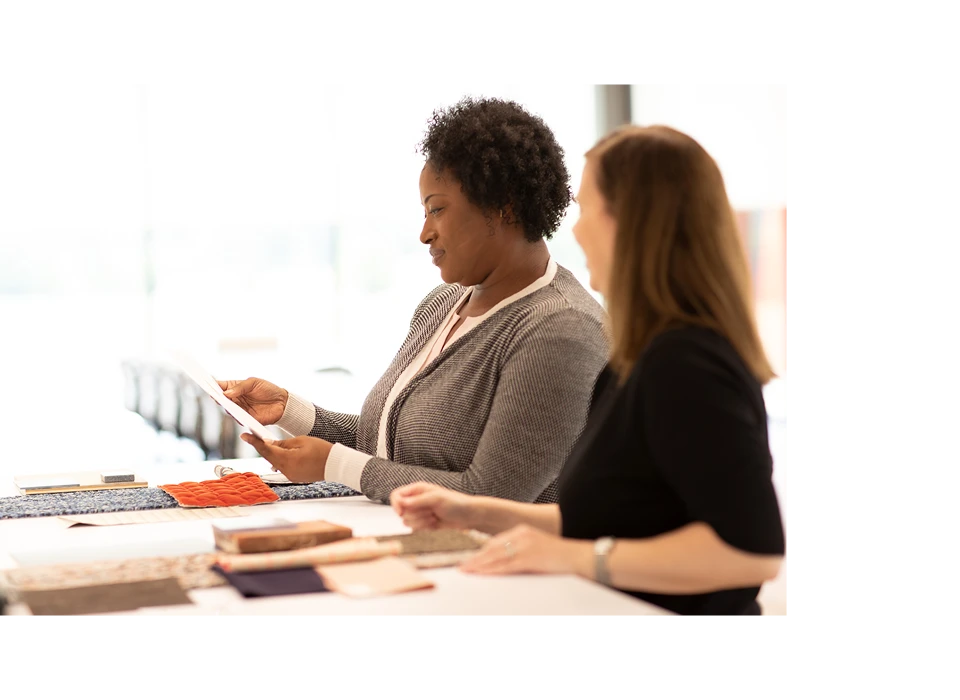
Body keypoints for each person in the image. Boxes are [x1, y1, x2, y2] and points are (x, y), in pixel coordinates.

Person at [391, 125, 786, 616]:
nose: (574, 229)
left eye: (584, 208)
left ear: (631, 221)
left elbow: (751, 554)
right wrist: (476, 512)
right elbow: (615, 520)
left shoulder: (687, 364)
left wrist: (572, 557)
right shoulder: (640, 359)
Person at [220, 97, 608, 505]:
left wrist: (336, 466)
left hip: (493, 562)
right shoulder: (443, 304)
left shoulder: (560, 329)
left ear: (503, 208)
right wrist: (289, 410)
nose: (425, 233)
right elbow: (393, 444)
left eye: (437, 209)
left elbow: (493, 493)